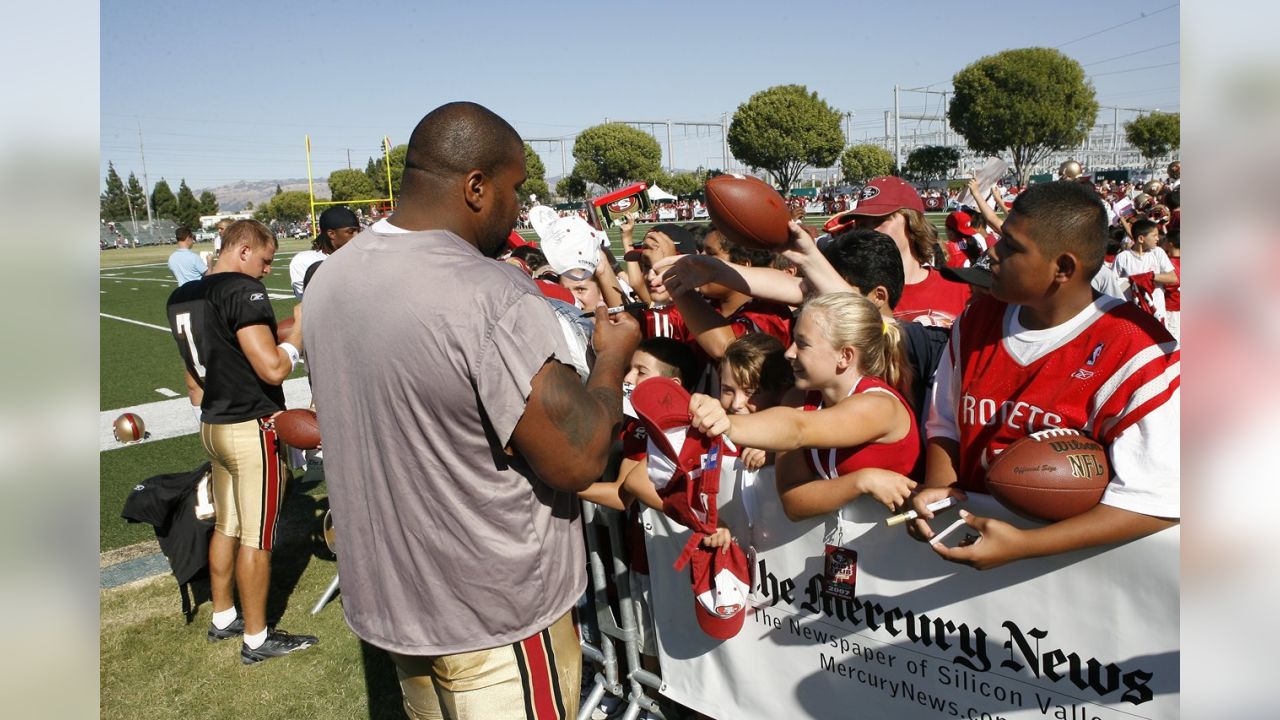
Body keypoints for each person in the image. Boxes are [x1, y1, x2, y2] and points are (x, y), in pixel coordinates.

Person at [302, 102, 639, 720]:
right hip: (495, 616)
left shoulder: (330, 278)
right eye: (514, 189)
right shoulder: (489, 292)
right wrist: (610, 358)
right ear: (476, 187)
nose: (518, 207)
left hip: (397, 606)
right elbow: (578, 456)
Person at [906, 181, 1179, 570]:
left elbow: (1158, 499)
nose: (993, 254)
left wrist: (1026, 545)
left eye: (1012, 247)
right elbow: (946, 421)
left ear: (1063, 268)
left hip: (1071, 576)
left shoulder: (1138, 348)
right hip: (968, 557)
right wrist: (938, 489)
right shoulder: (976, 320)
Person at [165, 219, 316, 664]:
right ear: (244, 250)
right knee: (257, 536)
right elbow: (272, 369)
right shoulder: (241, 290)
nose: (268, 270)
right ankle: (256, 638)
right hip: (251, 426)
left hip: (213, 423)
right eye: (266, 260)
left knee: (228, 525)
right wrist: (299, 335)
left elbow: (193, 378)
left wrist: (208, 413)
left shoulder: (182, 295)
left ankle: (224, 616)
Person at [688, 292, 921, 521]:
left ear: (845, 356)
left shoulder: (879, 406)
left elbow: (798, 429)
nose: (789, 353)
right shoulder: (798, 398)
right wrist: (862, 481)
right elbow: (794, 502)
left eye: (802, 344)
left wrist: (726, 423)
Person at [825, 177, 969, 326]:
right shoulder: (849, 295)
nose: (870, 231)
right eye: (862, 225)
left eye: (880, 220)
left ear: (913, 223)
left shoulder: (961, 291)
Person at [289, 206, 361, 297]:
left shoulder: (361, 257)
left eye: (358, 231)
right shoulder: (305, 261)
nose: (357, 236)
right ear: (332, 234)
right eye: (351, 232)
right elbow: (312, 301)